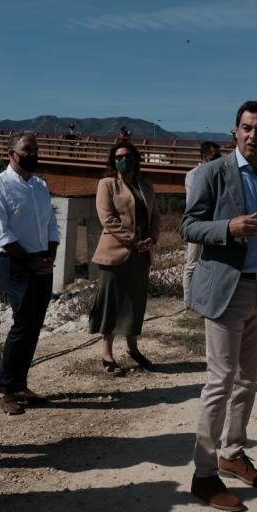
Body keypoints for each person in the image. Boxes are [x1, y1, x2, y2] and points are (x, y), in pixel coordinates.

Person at [181, 100, 257, 512]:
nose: (252, 135)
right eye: (245, 128)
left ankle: (232, 451)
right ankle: (203, 473)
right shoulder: (214, 173)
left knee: (248, 379)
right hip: (228, 290)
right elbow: (188, 225)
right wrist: (228, 228)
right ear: (235, 131)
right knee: (220, 380)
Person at [0, 132, 60, 415]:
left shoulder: (39, 186)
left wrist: (51, 253)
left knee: (35, 323)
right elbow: (2, 233)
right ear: (11, 153)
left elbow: (51, 223)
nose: (33, 153)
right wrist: (29, 261)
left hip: (41, 262)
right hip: (16, 264)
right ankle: (4, 387)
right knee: (23, 323)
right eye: (28, 149)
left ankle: (20, 384)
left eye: (36, 148)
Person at [90, 141, 160, 375]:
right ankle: (107, 353)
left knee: (135, 302)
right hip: (116, 252)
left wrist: (152, 238)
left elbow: (155, 215)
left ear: (136, 158)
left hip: (141, 253)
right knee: (112, 303)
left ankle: (133, 349)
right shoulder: (107, 184)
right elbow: (107, 218)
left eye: (128, 155)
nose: (123, 160)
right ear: (113, 161)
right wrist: (132, 240)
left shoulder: (145, 186)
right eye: (118, 156)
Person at [183, 142, 222, 302]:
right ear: (203, 157)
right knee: (192, 262)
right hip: (197, 224)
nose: (217, 160)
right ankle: (188, 300)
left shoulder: (218, 172)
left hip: (214, 224)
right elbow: (196, 200)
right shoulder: (193, 175)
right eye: (214, 157)